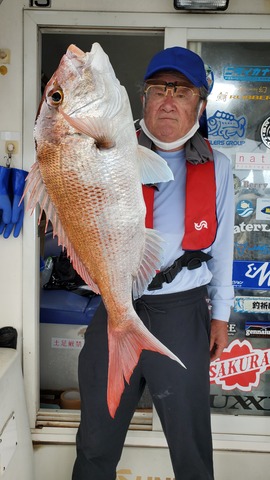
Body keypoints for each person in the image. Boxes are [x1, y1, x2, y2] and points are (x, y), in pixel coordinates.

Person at [72, 46, 234, 480]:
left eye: (181, 91)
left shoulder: (218, 167)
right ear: (141, 100)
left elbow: (221, 250)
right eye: (159, 89)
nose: (168, 99)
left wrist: (220, 316)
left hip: (182, 312)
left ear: (200, 104)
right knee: (95, 441)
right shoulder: (105, 150)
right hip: (116, 302)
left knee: (191, 444)